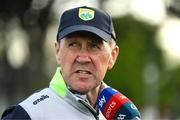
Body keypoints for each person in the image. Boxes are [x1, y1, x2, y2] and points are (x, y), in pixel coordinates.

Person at [1, 6, 138, 120]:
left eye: (94, 46)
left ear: (112, 56)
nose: (83, 58)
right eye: (73, 44)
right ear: (58, 51)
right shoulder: (28, 114)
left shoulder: (122, 114)